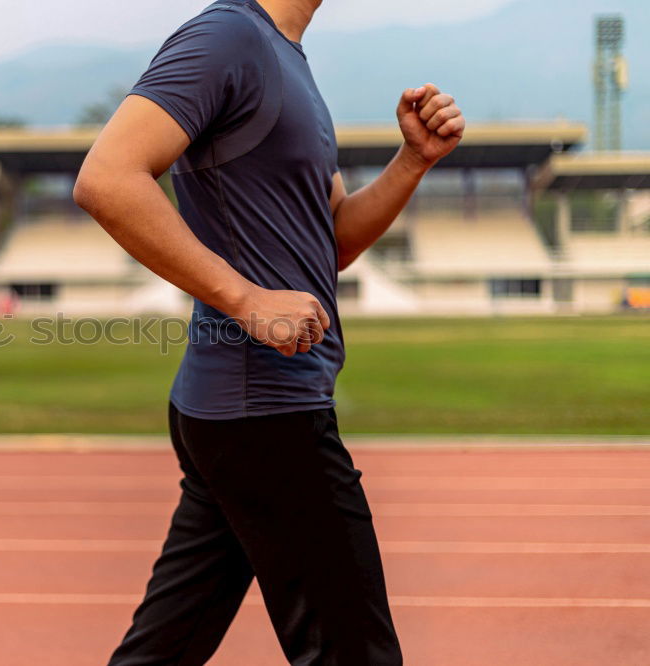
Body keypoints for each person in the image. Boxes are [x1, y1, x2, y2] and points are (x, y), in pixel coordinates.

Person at [73, 0, 464, 663]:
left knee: (165, 650)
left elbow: (331, 239)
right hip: (266, 408)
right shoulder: (226, 37)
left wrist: (412, 162)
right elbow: (107, 178)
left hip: (244, 410)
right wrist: (246, 299)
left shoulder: (287, 59)